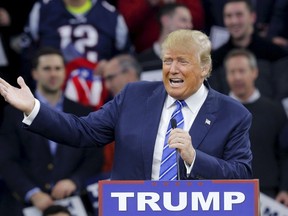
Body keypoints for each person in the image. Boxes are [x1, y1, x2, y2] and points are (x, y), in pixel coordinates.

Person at [0, 29, 253, 182]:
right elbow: (82, 131)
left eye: (183, 62)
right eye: (168, 61)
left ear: (205, 67)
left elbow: (241, 175)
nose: (173, 70)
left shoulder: (233, 114)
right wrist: (33, 108)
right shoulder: (133, 96)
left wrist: (194, 158)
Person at [0, 47, 103, 215]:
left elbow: (94, 157)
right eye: (47, 69)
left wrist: (74, 181)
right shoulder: (13, 113)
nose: (53, 74)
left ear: (65, 72)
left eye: (58, 68)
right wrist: (32, 192)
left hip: (74, 201)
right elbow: (6, 160)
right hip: (25, 205)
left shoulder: (84, 112)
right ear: (35, 73)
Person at [224, 48, 288, 206]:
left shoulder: (275, 110)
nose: (237, 77)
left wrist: (285, 189)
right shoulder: (217, 112)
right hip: (227, 192)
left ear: (254, 72)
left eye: (242, 71)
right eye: (232, 72)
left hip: (268, 194)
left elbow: (285, 154)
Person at [212, 0, 288, 70]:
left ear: (253, 17)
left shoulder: (276, 55)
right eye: (228, 16)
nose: (234, 21)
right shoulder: (216, 60)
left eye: (239, 15)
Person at [137, 2, 192, 73]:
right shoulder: (141, 61)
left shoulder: (194, 59)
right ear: (165, 20)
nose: (189, 26)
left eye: (190, 21)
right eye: (183, 20)